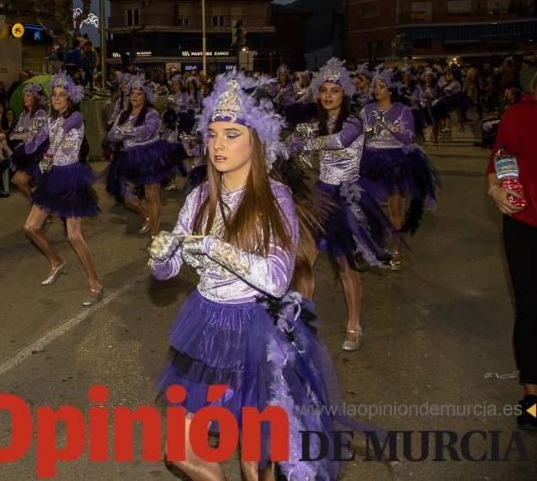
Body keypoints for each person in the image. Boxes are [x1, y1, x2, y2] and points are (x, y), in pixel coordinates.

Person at [148, 71, 350, 481]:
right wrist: (160, 256)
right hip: (206, 326)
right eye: (213, 134)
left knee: (255, 463)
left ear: (256, 142)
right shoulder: (199, 196)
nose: (218, 144)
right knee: (181, 452)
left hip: (255, 331)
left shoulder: (274, 198)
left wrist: (214, 248)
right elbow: (169, 271)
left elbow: (277, 278)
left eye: (232, 134)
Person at [290, 58, 393, 352]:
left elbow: (338, 141)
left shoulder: (353, 121)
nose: (328, 96)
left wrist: (306, 142)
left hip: (347, 196)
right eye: (324, 90)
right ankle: (302, 322)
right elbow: (296, 139)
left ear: (344, 94)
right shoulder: (317, 123)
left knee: (345, 265)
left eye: (334, 90)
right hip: (321, 194)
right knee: (304, 261)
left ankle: (354, 324)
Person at [487, 62, 537, 431]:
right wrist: (496, 189)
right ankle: (532, 399)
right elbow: (499, 162)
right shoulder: (519, 115)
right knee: (531, 309)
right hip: (525, 226)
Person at [22, 74, 103, 305]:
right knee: (30, 227)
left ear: (70, 98)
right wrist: (28, 138)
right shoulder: (49, 120)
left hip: (71, 177)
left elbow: (61, 135)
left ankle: (95, 284)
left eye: (61, 95)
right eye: (54, 95)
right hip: (53, 177)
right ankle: (56, 262)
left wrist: (47, 153)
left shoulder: (75, 117)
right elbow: (34, 143)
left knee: (74, 236)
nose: (57, 99)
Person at [360, 66, 439, 267]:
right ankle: (375, 245)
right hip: (370, 160)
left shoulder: (402, 111)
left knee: (395, 207)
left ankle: (396, 246)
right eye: (375, 86)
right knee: (369, 207)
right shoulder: (367, 110)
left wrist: (389, 126)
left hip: (395, 161)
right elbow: (361, 136)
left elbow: (409, 138)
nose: (376, 90)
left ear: (391, 90)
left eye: (381, 86)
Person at [106, 74, 179, 237]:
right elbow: (110, 135)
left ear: (146, 97)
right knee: (121, 191)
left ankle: (155, 234)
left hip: (149, 155)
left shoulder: (151, 113)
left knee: (151, 194)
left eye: (139, 94)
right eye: (132, 93)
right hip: (127, 156)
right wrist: (119, 133)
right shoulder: (123, 114)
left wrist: (125, 131)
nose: (134, 97)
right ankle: (145, 214)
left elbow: (148, 131)